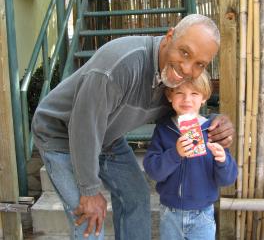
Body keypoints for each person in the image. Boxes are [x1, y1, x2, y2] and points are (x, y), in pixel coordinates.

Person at [31, 14, 235, 240]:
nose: (187, 69)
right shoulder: (119, 66)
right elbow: (84, 127)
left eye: (200, 64)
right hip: (62, 134)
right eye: (184, 52)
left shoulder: (174, 82)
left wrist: (216, 122)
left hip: (108, 136)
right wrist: (89, 191)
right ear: (169, 37)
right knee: (90, 218)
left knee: (136, 197)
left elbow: (187, 111)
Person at [143, 72, 238, 240]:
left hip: (203, 214)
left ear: (204, 97)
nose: (187, 99)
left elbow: (227, 180)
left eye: (194, 93)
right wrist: (175, 153)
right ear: (170, 96)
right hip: (170, 213)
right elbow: (153, 171)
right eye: (180, 93)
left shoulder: (213, 130)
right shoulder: (164, 129)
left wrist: (222, 160)